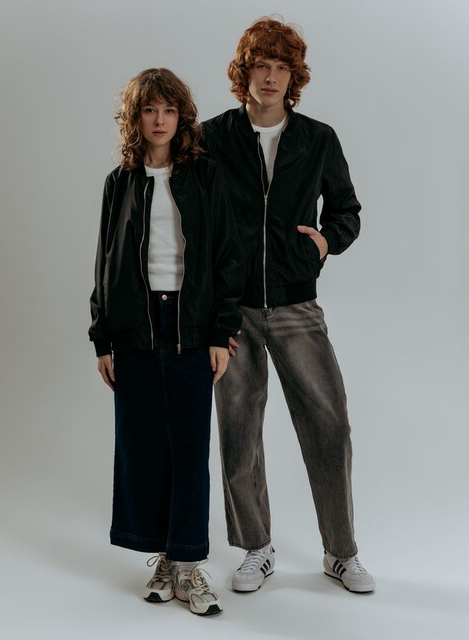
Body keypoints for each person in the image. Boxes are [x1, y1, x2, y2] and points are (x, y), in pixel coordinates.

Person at [201, 17, 375, 594]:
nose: (270, 76)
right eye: (261, 65)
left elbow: (347, 210)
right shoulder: (213, 137)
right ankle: (257, 547)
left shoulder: (317, 138)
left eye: (281, 67)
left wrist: (324, 243)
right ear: (244, 72)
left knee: (330, 425)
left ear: (293, 77)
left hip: (297, 304)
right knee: (238, 430)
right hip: (231, 310)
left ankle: (341, 553)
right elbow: (188, 210)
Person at [89, 68, 244, 616]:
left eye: (169, 110)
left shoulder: (205, 175)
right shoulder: (120, 182)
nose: (160, 120)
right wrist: (102, 338)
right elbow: (105, 263)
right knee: (143, 447)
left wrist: (222, 331)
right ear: (136, 118)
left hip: (189, 324)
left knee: (189, 447)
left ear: (182, 117)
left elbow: (227, 256)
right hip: (134, 327)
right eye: (150, 110)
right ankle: (163, 557)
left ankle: (189, 564)